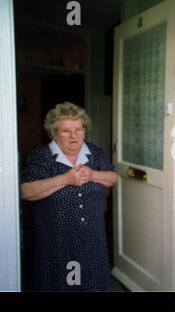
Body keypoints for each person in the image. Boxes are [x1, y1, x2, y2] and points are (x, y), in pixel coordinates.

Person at [20, 101, 118, 291]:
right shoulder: (41, 157)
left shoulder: (94, 153)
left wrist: (93, 175)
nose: (74, 136)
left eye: (79, 129)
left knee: (90, 282)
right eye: (66, 131)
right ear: (54, 133)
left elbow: (112, 178)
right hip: (57, 239)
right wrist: (65, 179)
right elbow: (26, 191)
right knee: (63, 283)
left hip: (92, 235)